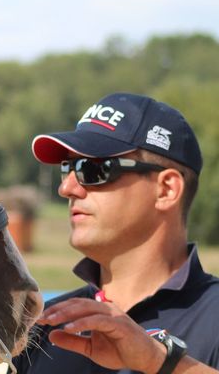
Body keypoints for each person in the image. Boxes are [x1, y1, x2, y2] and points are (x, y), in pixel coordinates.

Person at [12, 93, 219, 373]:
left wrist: (160, 362)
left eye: (92, 168)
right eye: (67, 168)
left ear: (167, 189)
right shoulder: (43, 326)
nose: (67, 188)